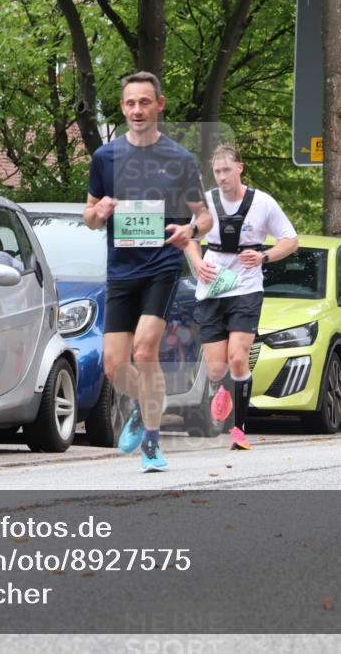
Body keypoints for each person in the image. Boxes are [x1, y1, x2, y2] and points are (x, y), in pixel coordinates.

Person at [83, 71, 212, 473]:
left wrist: (189, 230)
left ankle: (153, 443)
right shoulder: (106, 158)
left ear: (160, 104)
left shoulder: (179, 159)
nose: (137, 110)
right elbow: (88, 217)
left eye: (144, 102)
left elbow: (205, 216)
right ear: (122, 108)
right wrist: (98, 213)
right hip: (122, 270)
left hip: (162, 266)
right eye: (130, 103)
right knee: (114, 366)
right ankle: (146, 403)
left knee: (144, 351)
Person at [184, 145, 299, 449]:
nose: (221, 177)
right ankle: (221, 390)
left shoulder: (263, 203)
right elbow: (190, 240)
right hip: (213, 287)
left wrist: (265, 257)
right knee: (216, 367)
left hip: (247, 287)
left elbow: (291, 240)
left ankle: (239, 430)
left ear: (239, 168)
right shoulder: (206, 203)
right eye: (216, 172)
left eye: (226, 170)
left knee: (238, 358)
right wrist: (198, 263)